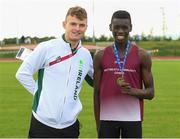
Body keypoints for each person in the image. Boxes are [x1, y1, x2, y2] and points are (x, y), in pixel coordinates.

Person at [16, 6, 93, 138]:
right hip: (42, 123)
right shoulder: (47, 47)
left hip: (70, 126)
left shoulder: (86, 55)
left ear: (86, 27)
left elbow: (97, 81)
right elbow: (22, 73)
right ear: (64, 24)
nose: (77, 28)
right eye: (73, 24)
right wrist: (40, 93)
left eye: (82, 25)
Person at [93, 10, 154, 138]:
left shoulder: (142, 55)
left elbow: (150, 92)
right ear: (110, 27)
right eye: (116, 27)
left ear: (130, 28)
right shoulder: (100, 56)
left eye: (124, 27)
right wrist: (98, 124)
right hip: (107, 119)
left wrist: (132, 91)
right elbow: (96, 93)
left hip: (133, 118)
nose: (120, 31)